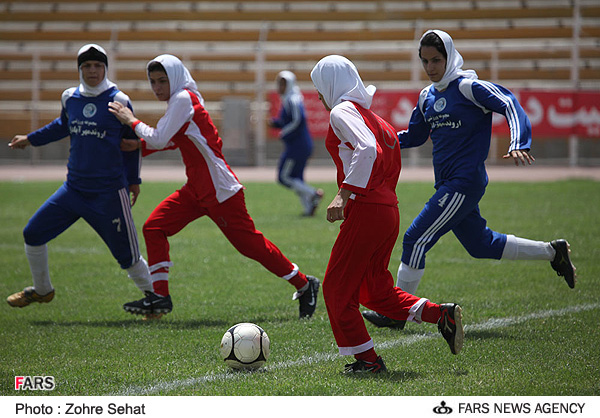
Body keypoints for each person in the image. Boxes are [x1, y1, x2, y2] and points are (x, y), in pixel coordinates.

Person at [362, 29, 577, 330]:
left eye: (436, 60)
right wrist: (376, 140)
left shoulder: (467, 87)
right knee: (481, 244)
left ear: (449, 57)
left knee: (415, 238)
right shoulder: (426, 97)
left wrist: (519, 141)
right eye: (424, 61)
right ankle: (553, 252)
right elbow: (413, 136)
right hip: (448, 185)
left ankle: (398, 312)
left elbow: (509, 103)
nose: (430, 67)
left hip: (464, 183)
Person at [108, 54, 320, 320]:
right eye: (152, 82)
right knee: (154, 227)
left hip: (220, 191)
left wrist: (131, 120)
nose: (157, 87)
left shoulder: (183, 98)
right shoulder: (182, 99)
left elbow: (162, 138)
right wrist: (139, 145)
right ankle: (160, 297)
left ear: (174, 78)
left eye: (162, 80)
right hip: (197, 188)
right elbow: (179, 139)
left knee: (250, 246)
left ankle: (304, 284)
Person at [310, 54, 464, 374]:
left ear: (330, 85)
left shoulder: (342, 111)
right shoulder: (375, 118)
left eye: (319, 88)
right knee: (372, 291)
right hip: (387, 211)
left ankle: (368, 361)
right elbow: (385, 156)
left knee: (337, 289)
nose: (318, 96)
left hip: (366, 210)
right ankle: (441, 315)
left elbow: (367, 150)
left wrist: (343, 194)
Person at [6, 44, 155, 310]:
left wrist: (134, 181)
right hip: (73, 190)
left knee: (127, 256)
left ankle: (153, 300)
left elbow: (132, 143)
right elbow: (61, 125)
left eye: (98, 65)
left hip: (109, 193)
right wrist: (30, 139)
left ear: (105, 68)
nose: (93, 70)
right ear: (79, 69)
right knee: (33, 233)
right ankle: (42, 290)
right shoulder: (70, 98)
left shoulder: (119, 99)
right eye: (87, 66)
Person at [269, 71, 323, 216]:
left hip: (298, 145)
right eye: (279, 83)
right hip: (299, 144)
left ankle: (313, 194)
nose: (280, 86)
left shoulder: (293, 99)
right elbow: (287, 121)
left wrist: (284, 132)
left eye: (283, 83)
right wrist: (275, 124)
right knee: (297, 178)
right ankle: (308, 209)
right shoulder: (289, 99)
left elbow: (298, 120)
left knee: (284, 177)